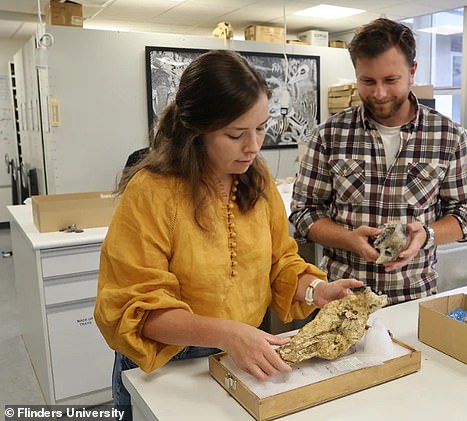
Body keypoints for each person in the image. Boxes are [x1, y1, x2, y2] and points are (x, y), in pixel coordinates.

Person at [94, 50, 362, 419]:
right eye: (235, 134)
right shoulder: (152, 192)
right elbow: (136, 310)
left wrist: (316, 290)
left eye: (261, 128)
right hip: (165, 364)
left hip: (240, 356)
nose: (253, 146)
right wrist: (226, 334)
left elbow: (280, 262)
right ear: (196, 130)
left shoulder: (257, 179)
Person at [290, 18, 467, 305]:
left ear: (412, 71)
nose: (379, 94)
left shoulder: (448, 137)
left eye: (391, 80)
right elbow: (304, 212)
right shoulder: (329, 135)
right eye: (367, 81)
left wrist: (426, 235)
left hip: (414, 298)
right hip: (344, 299)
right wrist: (349, 239)